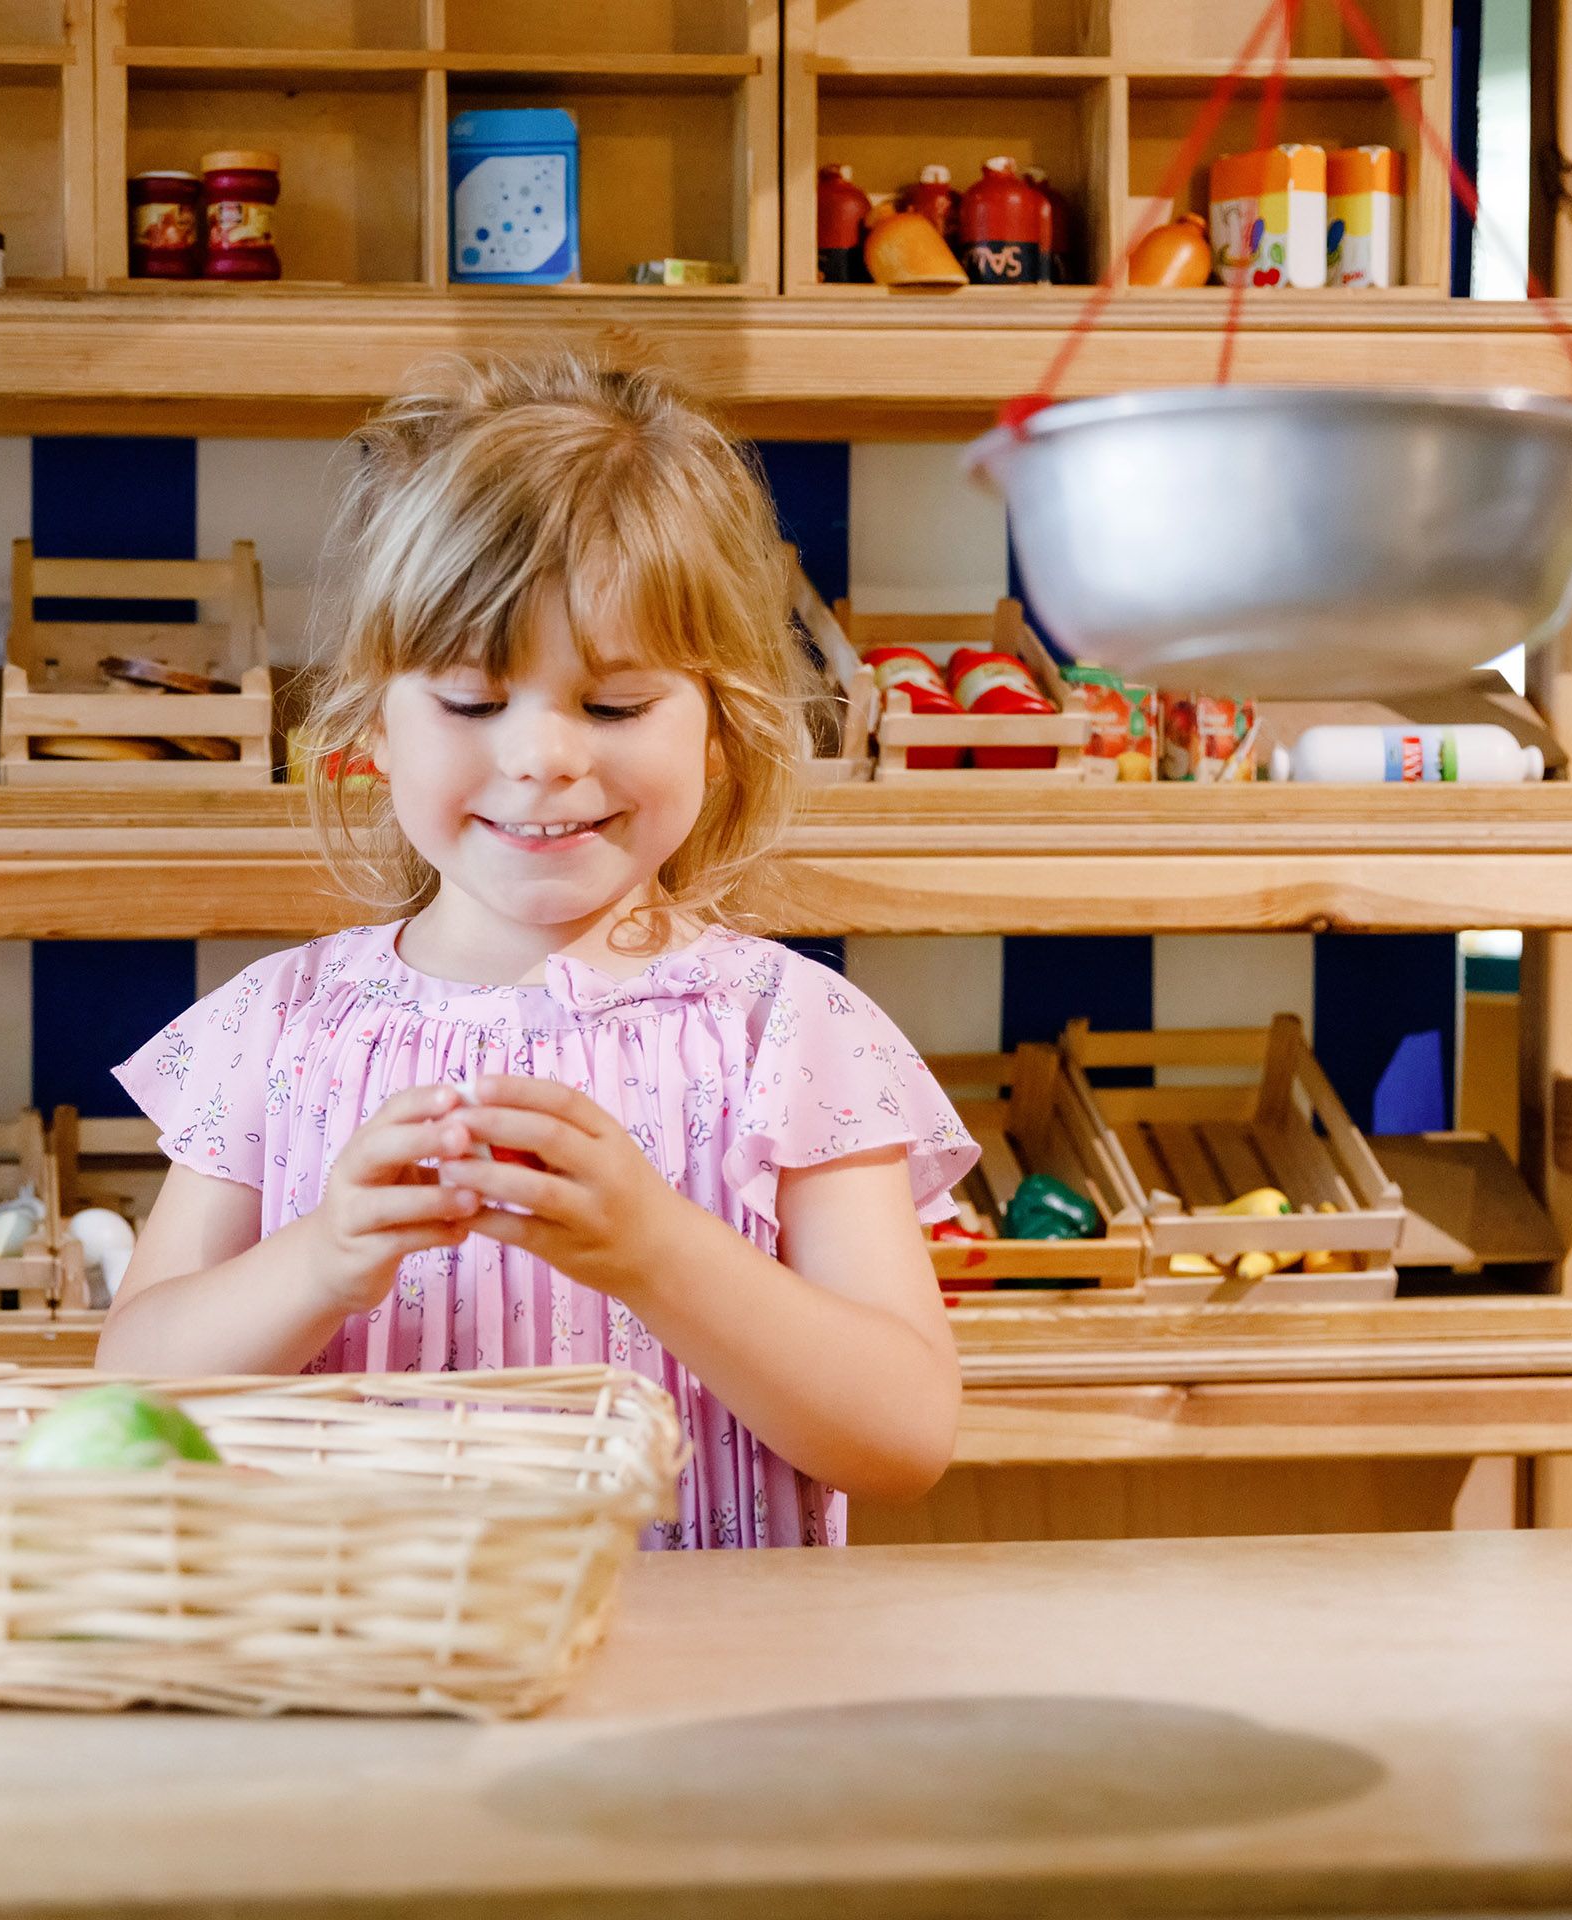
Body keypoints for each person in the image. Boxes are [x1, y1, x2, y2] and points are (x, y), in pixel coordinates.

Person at [100, 353, 975, 1548]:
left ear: (721, 728)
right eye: (470, 702)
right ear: (372, 726)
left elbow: (904, 1439)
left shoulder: (793, 1032)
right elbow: (129, 1398)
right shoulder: (281, 1027)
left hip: (705, 1705)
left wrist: (659, 1253)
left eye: (614, 707)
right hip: (360, 1688)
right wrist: (324, 1259)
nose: (542, 758)